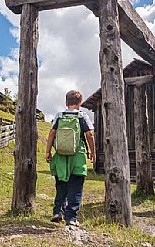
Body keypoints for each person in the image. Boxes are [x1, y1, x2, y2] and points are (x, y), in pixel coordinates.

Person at [46, 90, 96, 227]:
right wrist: (93, 152)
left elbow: (51, 134)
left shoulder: (59, 116)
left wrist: (48, 152)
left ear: (66, 102)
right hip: (77, 157)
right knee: (75, 187)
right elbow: (89, 135)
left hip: (61, 155)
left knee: (61, 185)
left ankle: (57, 212)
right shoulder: (82, 116)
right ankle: (71, 218)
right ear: (80, 103)